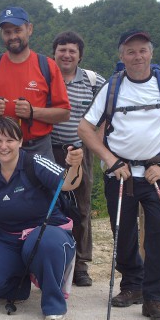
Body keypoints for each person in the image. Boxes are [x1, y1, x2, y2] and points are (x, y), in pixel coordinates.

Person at [78, 30, 160, 320]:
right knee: (124, 234)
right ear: (121, 56)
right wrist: (110, 160)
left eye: (142, 50)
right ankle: (132, 285)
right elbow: (84, 127)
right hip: (121, 175)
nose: (137, 56)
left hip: (157, 174)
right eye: (130, 51)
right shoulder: (112, 87)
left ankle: (155, 297)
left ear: (151, 53)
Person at [0, 117, 83, 320]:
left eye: (10, 140)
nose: (4, 146)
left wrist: (75, 165)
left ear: (20, 142)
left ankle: (53, 303)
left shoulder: (36, 162)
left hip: (46, 231)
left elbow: (67, 184)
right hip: (6, 238)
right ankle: (21, 283)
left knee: (43, 244)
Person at [0, 6, 70, 162]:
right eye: (7, 32)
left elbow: (64, 113)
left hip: (38, 148)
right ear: (1, 34)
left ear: (29, 29)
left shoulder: (47, 66)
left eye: (17, 30)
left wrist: (33, 112)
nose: (12, 36)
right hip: (1, 149)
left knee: (44, 187)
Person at [51, 30, 106, 287]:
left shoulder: (94, 81)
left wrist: (97, 140)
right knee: (50, 206)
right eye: (62, 49)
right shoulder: (45, 77)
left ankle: (81, 264)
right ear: (54, 54)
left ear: (80, 55)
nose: (67, 54)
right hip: (48, 149)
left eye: (72, 50)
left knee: (81, 207)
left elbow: (110, 107)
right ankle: (53, 259)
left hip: (81, 151)